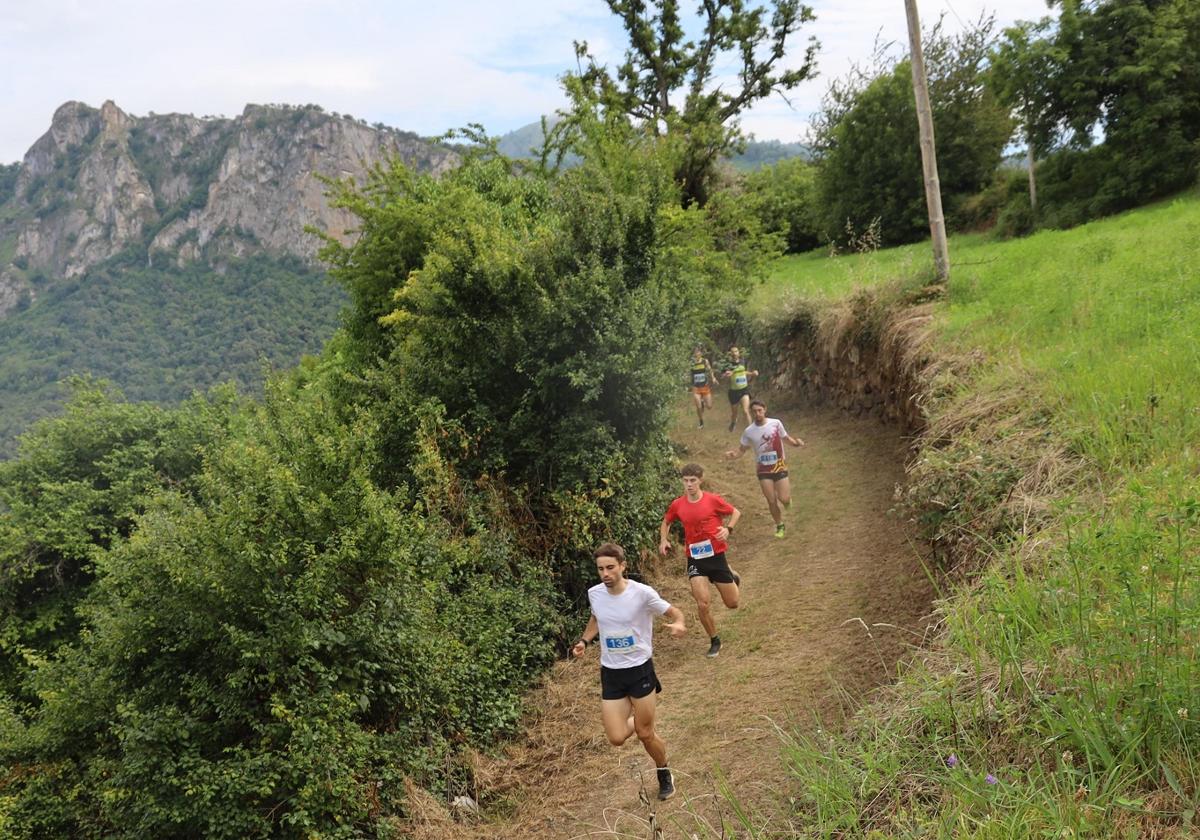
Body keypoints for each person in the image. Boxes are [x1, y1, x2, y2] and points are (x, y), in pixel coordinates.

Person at [572, 542, 687, 801]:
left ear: (623, 566)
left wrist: (679, 623)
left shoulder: (642, 593)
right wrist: (584, 641)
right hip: (611, 673)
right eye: (600, 569)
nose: (605, 574)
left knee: (646, 734)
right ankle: (640, 717)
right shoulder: (595, 593)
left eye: (610, 568)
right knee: (616, 737)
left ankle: (663, 770)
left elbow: (674, 612)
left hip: (639, 671)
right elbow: (596, 619)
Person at [659, 463, 741, 658]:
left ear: (700, 480)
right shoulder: (678, 504)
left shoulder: (713, 500)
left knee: (733, 603)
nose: (689, 485)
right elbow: (666, 521)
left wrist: (728, 529)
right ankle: (714, 640)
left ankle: (730, 573)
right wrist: (663, 540)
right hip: (695, 559)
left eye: (693, 481)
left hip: (716, 557)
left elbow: (735, 512)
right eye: (686, 481)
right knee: (702, 603)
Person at [725, 400, 804, 539]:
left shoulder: (775, 423)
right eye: (754, 411)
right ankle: (780, 525)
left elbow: (785, 438)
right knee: (771, 500)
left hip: (779, 466)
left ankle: (787, 501)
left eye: (760, 410)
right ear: (751, 413)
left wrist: (796, 443)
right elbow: (742, 450)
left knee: (783, 498)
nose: (757, 413)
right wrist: (733, 455)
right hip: (763, 470)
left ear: (765, 410)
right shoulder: (749, 431)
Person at [720, 346, 758, 432]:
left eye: (736, 351)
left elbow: (743, 372)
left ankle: (752, 431)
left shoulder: (742, 361)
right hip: (734, 392)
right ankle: (733, 422)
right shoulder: (728, 365)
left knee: (746, 410)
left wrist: (752, 373)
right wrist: (726, 375)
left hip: (744, 389)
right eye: (732, 352)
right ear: (730, 354)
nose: (734, 353)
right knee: (734, 413)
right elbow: (722, 376)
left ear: (738, 353)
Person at [688, 346, 716, 428]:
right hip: (696, 387)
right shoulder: (692, 363)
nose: (696, 354)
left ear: (700, 353)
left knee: (709, 406)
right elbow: (690, 374)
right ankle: (701, 422)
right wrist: (689, 384)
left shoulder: (705, 361)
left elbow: (710, 370)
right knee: (698, 406)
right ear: (693, 354)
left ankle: (703, 402)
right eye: (695, 353)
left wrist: (713, 378)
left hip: (705, 386)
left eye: (698, 352)